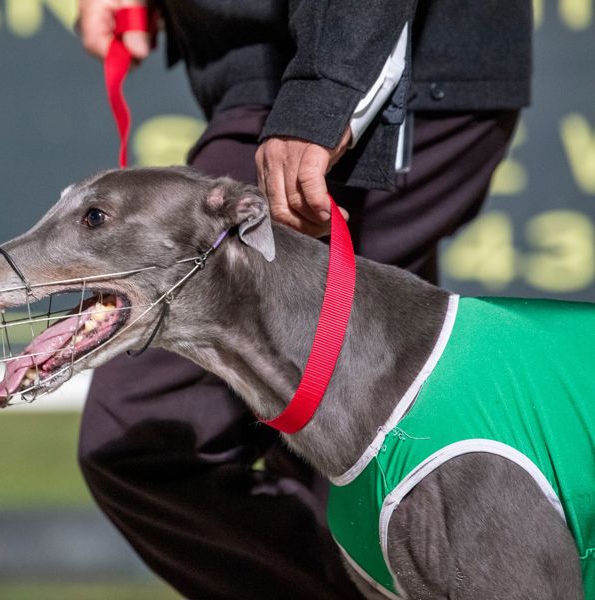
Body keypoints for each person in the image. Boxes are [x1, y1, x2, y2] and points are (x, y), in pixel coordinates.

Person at [75, 1, 532, 598]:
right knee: (345, 443)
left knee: (138, 437)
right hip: (301, 77)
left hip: (360, 76)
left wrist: (323, 95)